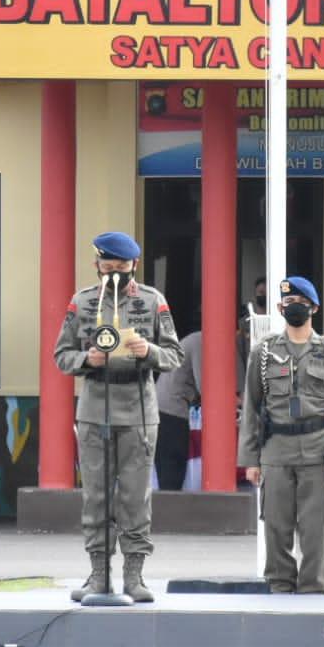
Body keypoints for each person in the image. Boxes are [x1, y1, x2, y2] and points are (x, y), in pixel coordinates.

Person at [53, 231, 182, 602]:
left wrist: (149, 350)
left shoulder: (153, 301)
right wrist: (86, 359)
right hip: (96, 408)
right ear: (97, 265)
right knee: (96, 496)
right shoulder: (82, 302)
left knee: (135, 497)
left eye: (121, 267)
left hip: (139, 410)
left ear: (134, 265)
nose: (114, 273)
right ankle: (98, 575)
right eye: (107, 266)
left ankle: (134, 576)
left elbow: (174, 355)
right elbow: (61, 355)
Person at [238, 276, 324, 594]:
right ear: (280, 308)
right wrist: (250, 459)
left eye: (301, 304)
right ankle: (280, 584)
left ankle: (313, 587)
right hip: (276, 448)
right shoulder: (264, 352)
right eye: (289, 303)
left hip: (317, 448)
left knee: (314, 526)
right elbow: (251, 408)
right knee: (275, 524)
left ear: (314, 308)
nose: (295, 308)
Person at [154, 306, 250, 491]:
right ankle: (167, 509)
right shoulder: (204, 341)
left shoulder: (206, 341)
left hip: (170, 411)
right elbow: (210, 390)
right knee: (172, 471)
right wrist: (248, 405)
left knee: (172, 470)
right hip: (170, 412)